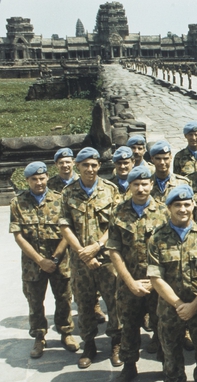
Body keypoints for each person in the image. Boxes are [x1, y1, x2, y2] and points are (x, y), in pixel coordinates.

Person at [147, 185, 197, 382]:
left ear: (194, 206)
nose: (183, 209)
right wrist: (178, 304)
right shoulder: (157, 237)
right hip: (170, 307)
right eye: (178, 205)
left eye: (187, 204)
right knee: (171, 349)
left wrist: (195, 305)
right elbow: (156, 277)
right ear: (169, 208)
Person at [59, 147, 122, 369]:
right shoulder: (68, 193)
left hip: (107, 259)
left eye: (94, 165)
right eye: (85, 165)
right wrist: (83, 253)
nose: (90, 169)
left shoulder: (110, 190)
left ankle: (116, 344)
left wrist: (96, 246)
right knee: (84, 304)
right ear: (78, 167)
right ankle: (89, 345)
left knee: (114, 301)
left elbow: (115, 224)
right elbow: (65, 226)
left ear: (99, 166)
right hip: (80, 261)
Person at [107, 166, 169, 382]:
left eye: (145, 184)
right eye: (136, 184)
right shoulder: (119, 212)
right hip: (130, 283)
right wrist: (129, 282)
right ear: (129, 186)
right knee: (129, 326)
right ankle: (129, 367)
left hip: (158, 284)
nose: (141, 189)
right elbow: (114, 250)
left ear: (152, 185)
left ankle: (168, 368)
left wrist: (158, 283)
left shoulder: (164, 211)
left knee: (162, 325)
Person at [10, 162, 76, 358]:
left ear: (47, 177)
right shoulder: (18, 202)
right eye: (34, 179)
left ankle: (66, 332)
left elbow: (67, 231)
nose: (39, 182)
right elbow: (18, 236)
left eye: (42, 178)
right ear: (27, 181)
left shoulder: (60, 199)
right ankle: (39, 337)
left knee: (64, 298)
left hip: (60, 260)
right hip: (33, 264)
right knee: (35, 301)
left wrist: (54, 258)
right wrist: (40, 260)